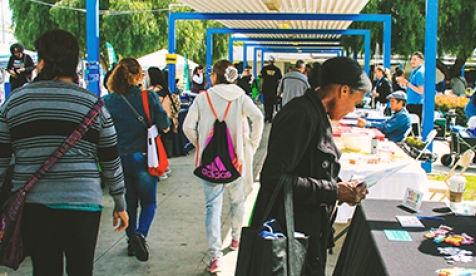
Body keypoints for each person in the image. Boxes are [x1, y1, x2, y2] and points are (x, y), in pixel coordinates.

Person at [0, 29, 128, 276]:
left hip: (34, 206)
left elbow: (1, 160)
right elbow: (111, 159)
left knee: (45, 269)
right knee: (81, 270)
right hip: (84, 204)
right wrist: (120, 201)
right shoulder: (94, 105)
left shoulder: (14, 103)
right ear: (73, 63)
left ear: (42, 62)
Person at [251, 57, 370, 276]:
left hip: (307, 233)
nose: (353, 109)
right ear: (344, 90)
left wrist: (342, 188)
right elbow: (272, 178)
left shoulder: (317, 114)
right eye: (356, 101)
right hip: (289, 236)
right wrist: (333, 191)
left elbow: (308, 168)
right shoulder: (301, 114)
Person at [183, 60, 264, 273]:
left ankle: (215, 256)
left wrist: (200, 145)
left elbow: (187, 127)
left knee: (213, 207)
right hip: (236, 161)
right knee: (237, 202)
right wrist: (251, 145)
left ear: (214, 76)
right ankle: (236, 238)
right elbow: (258, 117)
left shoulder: (203, 98)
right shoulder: (241, 97)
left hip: (209, 163)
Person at [104, 58, 170, 262]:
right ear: (137, 76)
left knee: (129, 202)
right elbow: (164, 124)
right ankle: (141, 235)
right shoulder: (148, 96)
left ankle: (131, 240)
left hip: (118, 160)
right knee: (149, 202)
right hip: (144, 157)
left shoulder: (108, 101)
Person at [147, 67, 180, 163]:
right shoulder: (165, 90)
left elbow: (155, 109)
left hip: (158, 122)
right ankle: (164, 165)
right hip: (168, 120)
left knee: (157, 147)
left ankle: (161, 166)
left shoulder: (154, 92)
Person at [397, 51, 425, 128]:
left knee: (413, 128)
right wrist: (404, 84)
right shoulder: (414, 72)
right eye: (412, 59)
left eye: (415, 59)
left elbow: (420, 91)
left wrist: (408, 84)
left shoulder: (420, 73)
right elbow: (412, 88)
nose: (412, 61)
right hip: (410, 102)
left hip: (416, 104)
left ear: (421, 61)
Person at [260, 55, 282, 123]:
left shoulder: (264, 69)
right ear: (274, 61)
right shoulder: (277, 70)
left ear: (269, 61)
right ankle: (271, 117)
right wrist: (279, 90)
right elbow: (279, 81)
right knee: (272, 103)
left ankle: (266, 116)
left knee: (266, 103)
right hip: (273, 89)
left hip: (266, 88)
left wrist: (261, 87)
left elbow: (262, 79)